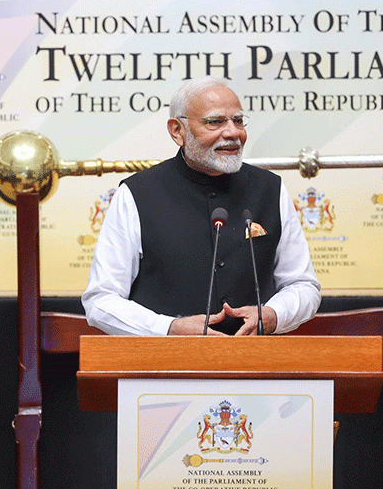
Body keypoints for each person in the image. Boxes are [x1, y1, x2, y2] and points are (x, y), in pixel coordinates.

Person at [81, 77, 320, 335]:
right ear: (177, 131)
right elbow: (101, 300)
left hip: (254, 363)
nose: (232, 133)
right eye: (215, 122)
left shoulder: (270, 189)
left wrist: (273, 315)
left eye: (238, 121)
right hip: (162, 368)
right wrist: (170, 329)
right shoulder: (136, 194)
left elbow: (303, 285)